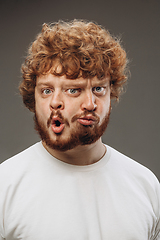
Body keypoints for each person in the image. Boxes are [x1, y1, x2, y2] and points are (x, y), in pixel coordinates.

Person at [0, 20, 159, 240]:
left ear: (107, 94)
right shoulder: (5, 185)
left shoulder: (145, 185)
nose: (55, 103)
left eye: (72, 89)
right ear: (33, 95)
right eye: (46, 91)